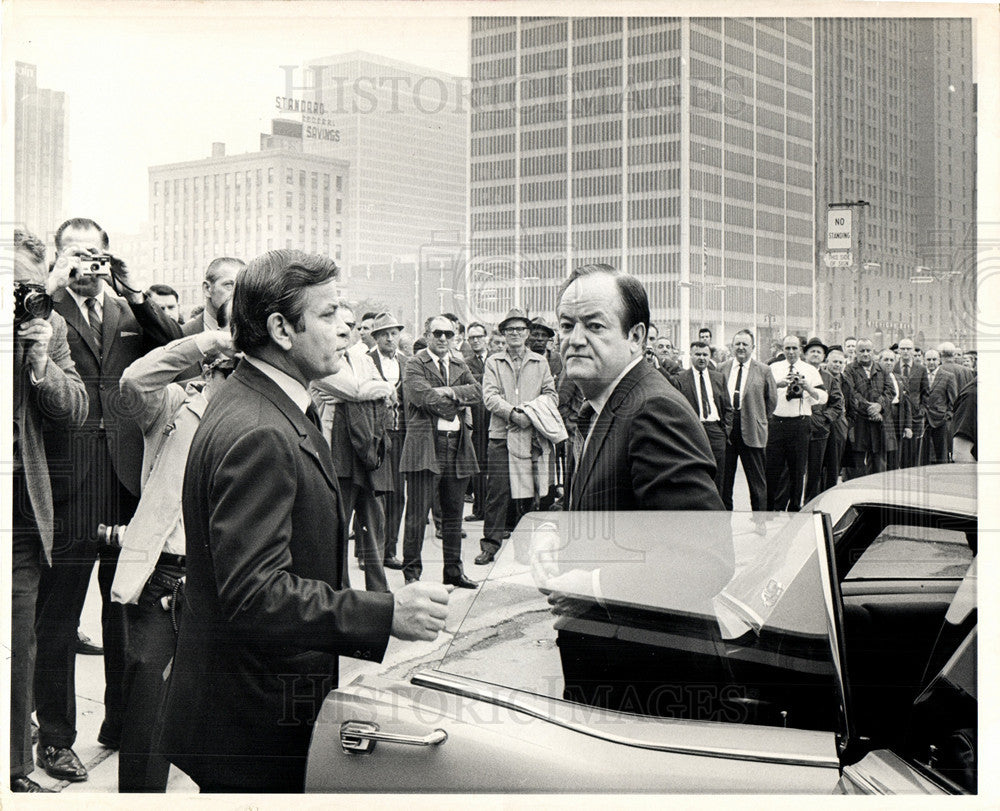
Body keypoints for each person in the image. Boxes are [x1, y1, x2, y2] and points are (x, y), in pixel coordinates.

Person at [158, 250, 449, 793]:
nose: (347, 329)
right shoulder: (261, 431)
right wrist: (385, 612)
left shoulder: (262, 401)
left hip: (248, 708)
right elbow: (255, 596)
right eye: (331, 313)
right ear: (281, 330)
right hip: (254, 724)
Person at [35, 217, 181, 782]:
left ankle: (121, 721)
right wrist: (48, 289)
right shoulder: (45, 310)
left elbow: (173, 346)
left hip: (125, 484)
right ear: (58, 259)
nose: (87, 264)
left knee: (127, 609)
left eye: (96, 253)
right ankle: (55, 737)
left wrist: (134, 291)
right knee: (61, 617)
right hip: (70, 483)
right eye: (76, 254)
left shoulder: (124, 311)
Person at [112, 328, 236, 792]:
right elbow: (134, 381)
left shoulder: (258, 420)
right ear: (209, 372)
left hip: (224, 577)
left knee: (218, 711)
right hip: (165, 572)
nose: (237, 381)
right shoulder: (172, 408)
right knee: (149, 700)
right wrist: (213, 340)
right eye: (228, 370)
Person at [11, 229, 89, 793]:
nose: (17, 298)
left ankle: (14, 770)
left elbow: (75, 408)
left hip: (18, 508)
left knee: (20, 640)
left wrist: (39, 361)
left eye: (25, 287)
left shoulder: (51, 326)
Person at [556, 264, 721, 512]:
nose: (575, 340)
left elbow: (698, 545)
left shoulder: (655, 411)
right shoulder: (597, 406)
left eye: (595, 326)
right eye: (567, 326)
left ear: (635, 337)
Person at [311, 303, 393, 592]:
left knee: (373, 525)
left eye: (351, 325)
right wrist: (365, 391)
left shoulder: (360, 358)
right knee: (338, 530)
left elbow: (386, 388)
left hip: (364, 450)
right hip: (335, 453)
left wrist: (369, 391)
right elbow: (355, 389)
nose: (345, 330)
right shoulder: (320, 361)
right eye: (339, 323)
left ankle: (379, 593)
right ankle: (341, 594)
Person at [399, 315, 482, 588]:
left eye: (449, 333)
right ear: (427, 333)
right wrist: (456, 402)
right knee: (417, 514)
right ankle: (412, 574)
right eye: (438, 333)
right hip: (425, 446)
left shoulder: (458, 362)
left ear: (455, 335)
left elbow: (477, 392)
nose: (444, 338)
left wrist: (448, 392)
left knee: (453, 515)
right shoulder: (414, 363)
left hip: (456, 445)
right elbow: (421, 396)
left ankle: (454, 572)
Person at [477, 308, 559, 565]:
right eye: (510, 329)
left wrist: (530, 414)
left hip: (530, 435)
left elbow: (551, 395)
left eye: (520, 329)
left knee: (527, 494)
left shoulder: (540, 361)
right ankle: (490, 546)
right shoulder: (493, 361)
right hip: (501, 435)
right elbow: (489, 396)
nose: (515, 334)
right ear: (503, 333)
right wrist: (513, 414)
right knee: (497, 493)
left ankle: (524, 549)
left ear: (527, 333)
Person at [764, 335, 827, 511]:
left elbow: (823, 398)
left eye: (794, 348)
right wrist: (778, 384)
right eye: (787, 348)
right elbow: (762, 391)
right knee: (772, 469)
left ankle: (794, 509)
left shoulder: (810, 370)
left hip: (800, 424)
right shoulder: (773, 368)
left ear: (800, 349)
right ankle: (768, 510)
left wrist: (807, 387)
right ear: (782, 349)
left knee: (797, 470)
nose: (791, 352)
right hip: (777, 423)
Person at [718, 329, 777, 511]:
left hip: (752, 428)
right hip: (727, 430)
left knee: (756, 480)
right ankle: (724, 519)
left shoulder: (764, 370)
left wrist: (758, 418)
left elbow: (772, 400)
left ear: (753, 347)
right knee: (724, 481)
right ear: (732, 347)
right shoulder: (722, 368)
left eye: (745, 344)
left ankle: (760, 520)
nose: (741, 348)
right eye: (738, 344)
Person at [368, 312, 407, 570]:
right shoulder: (365, 360)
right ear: (376, 337)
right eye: (384, 334)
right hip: (375, 434)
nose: (390, 338)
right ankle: (368, 552)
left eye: (394, 333)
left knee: (397, 494)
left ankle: (389, 550)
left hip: (402, 434)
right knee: (373, 494)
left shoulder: (407, 362)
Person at [669, 341, 732, 500]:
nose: (702, 358)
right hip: (693, 432)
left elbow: (728, 408)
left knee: (718, 477)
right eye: (698, 354)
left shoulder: (719, 378)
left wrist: (725, 432)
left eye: (705, 355)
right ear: (691, 355)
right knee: (695, 474)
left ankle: (716, 517)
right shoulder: (680, 379)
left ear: (710, 357)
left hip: (716, 431)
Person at [842, 338, 895, 478]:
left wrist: (879, 406)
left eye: (868, 350)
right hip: (858, 423)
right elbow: (852, 393)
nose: (865, 354)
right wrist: (869, 409)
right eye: (862, 351)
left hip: (878, 424)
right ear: (856, 353)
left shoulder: (881, 369)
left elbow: (890, 391)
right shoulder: (849, 370)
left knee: (878, 464)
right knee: (856, 464)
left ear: (873, 352)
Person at [802, 338, 844, 502]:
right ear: (805, 354)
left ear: (824, 357)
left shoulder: (828, 378)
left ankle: (810, 502)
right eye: (812, 351)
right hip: (796, 425)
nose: (815, 354)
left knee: (815, 468)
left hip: (819, 429)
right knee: (792, 469)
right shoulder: (797, 371)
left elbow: (837, 404)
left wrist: (824, 418)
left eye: (819, 352)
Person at [462, 321, 490, 522]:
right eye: (472, 338)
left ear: (486, 337)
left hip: (496, 418)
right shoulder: (465, 362)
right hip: (477, 420)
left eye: (479, 336)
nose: (476, 340)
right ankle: (479, 509)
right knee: (478, 466)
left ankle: (494, 509)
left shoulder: (497, 359)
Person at [181, 256, 244, 335]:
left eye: (242, 287)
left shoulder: (255, 336)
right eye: (229, 285)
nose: (238, 293)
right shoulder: (181, 335)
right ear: (207, 289)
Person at [893, 338, 929, 469]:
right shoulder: (893, 367)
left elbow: (925, 392)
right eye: (903, 349)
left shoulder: (921, 369)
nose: (906, 351)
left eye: (908, 349)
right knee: (897, 450)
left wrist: (922, 410)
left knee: (913, 451)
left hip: (916, 416)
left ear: (913, 351)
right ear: (898, 351)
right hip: (897, 415)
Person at [920, 349, 958, 465]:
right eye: (928, 359)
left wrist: (948, 415)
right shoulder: (920, 376)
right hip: (924, 419)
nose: (931, 362)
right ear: (924, 361)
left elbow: (954, 400)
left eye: (934, 359)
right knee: (923, 452)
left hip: (941, 420)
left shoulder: (948, 376)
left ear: (939, 360)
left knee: (941, 452)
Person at [821, 348, 851, 490]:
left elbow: (851, 403)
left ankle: (830, 493)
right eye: (834, 362)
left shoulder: (845, 381)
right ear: (827, 362)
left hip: (840, 425)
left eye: (840, 362)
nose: (837, 365)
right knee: (819, 463)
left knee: (834, 464)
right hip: (823, 422)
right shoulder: (820, 378)